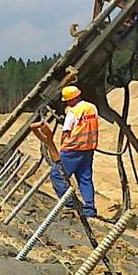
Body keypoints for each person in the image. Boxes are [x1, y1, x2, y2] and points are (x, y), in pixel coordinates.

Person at [51, 85, 98, 217]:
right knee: (85, 178)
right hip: (88, 148)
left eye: (67, 100)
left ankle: (71, 203)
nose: (66, 103)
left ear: (72, 99)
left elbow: (66, 131)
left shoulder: (72, 112)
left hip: (72, 150)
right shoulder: (92, 108)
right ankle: (89, 209)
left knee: (56, 174)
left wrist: (63, 147)